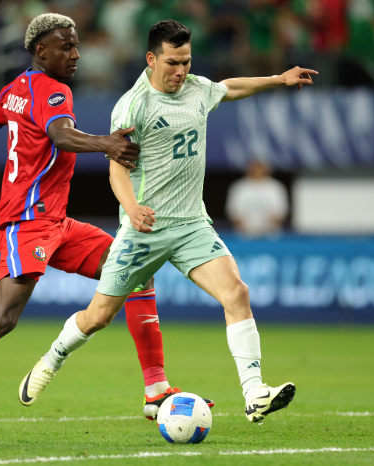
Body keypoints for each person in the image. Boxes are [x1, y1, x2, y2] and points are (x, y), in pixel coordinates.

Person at [0, 13, 210, 438]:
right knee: (3, 317)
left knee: (135, 270)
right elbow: (60, 135)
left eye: (76, 46)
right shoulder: (53, 90)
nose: (76, 55)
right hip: (27, 221)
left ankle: (155, 389)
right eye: (65, 47)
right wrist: (106, 143)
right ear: (41, 50)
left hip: (56, 221)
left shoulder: (15, 90)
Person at [19, 19, 317, 423]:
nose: (181, 71)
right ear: (151, 59)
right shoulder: (133, 106)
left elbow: (230, 88)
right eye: (173, 63)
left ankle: (254, 393)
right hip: (144, 229)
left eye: (187, 62)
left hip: (192, 224)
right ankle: (51, 359)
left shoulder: (197, 89)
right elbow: (117, 170)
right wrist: (132, 208)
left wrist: (278, 79)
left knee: (236, 292)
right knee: (99, 316)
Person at [226, 159, 288, 237]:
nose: (258, 171)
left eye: (260, 168)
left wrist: (267, 226)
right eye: (255, 168)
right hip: (244, 235)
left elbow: (281, 212)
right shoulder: (239, 187)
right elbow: (233, 212)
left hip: (270, 235)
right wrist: (246, 227)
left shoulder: (275, 187)